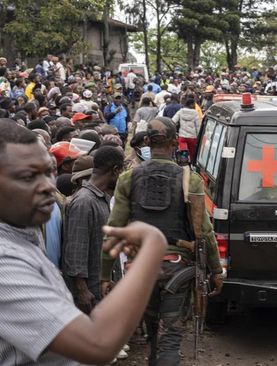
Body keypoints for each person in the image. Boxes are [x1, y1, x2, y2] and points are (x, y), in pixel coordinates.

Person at [0, 118, 168, 364]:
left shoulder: (25, 234)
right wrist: (152, 248)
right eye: (27, 177)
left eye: (49, 172)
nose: (48, 185)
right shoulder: (5, 264)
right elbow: (98, 343)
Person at [101, 118, 223, 365]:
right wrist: (216, 270)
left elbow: (114, 230)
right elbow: (205, 233)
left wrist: (104, 275)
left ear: (146, 141)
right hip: (177, 268)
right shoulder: (191, 181)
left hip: (139, 270)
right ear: (176, 142)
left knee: (154, 331)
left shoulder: (127, 178)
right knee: (170, 337)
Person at [62, 146, 124, 314]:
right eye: (122, 171)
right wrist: (82, 290)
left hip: (102, 290)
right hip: (91, 294)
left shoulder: (101, 199)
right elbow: (75, 251)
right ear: (115, 170)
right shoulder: (84, 202)